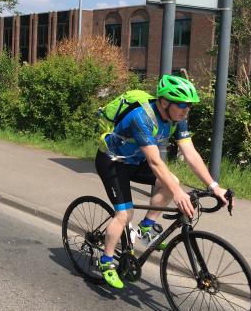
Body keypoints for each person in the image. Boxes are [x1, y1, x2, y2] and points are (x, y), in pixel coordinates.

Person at [94, 74, 231, 289]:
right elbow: (155, 162)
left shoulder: (177, 119)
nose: (186, 110)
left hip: (135, 162)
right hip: (112, 161)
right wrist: (177, 192)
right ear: (164, 102)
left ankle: (146, 227)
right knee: (124, 214)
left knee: (171, 181)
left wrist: (214, 186)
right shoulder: (143, 118)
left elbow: (191, 154)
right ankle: (106, 261)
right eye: (182, 105)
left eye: (189, 106)